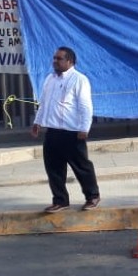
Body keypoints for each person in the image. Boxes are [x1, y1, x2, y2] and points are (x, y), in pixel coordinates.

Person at [31, 46, 101, 213]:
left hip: (72, 132)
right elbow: (44, 103)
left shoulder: (79, 79)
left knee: (82, 167)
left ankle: (92, 196)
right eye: (54, 58)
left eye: (59, 58)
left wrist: (84, 128)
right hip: (52, 132)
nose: (55, 61)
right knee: (54, 169)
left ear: (70, 61)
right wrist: (37, 122)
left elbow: (85, 106)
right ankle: (60, 200)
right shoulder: (50, 79)